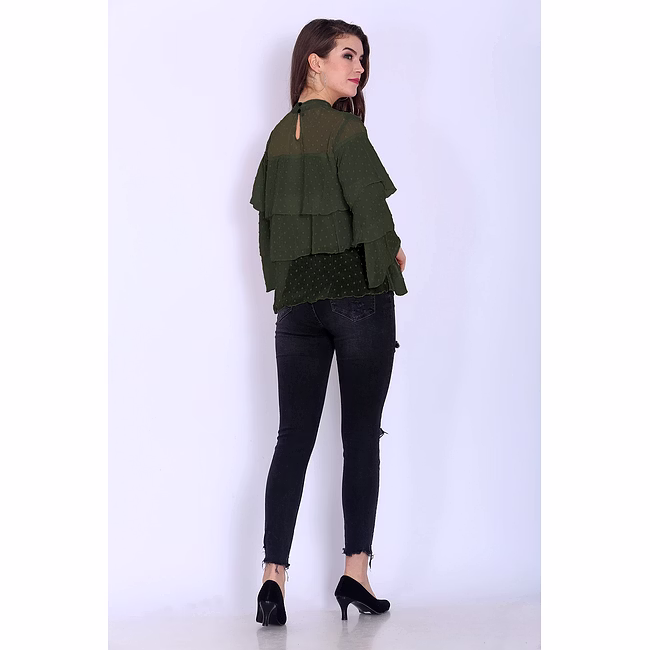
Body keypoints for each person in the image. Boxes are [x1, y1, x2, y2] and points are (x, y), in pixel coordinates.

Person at [251, 18, 407, 626]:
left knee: (292, 437)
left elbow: (269, 234)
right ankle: (355, 573)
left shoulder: (275, 139)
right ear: (313, 61)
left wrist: (292, 292)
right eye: (347, 55)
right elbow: (372, 217)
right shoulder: (345, 131)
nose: (359, 68)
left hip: (296, 307)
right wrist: (393, 255)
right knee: (361, 435)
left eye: (362, 58)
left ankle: (273, 581)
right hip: (357, 300)